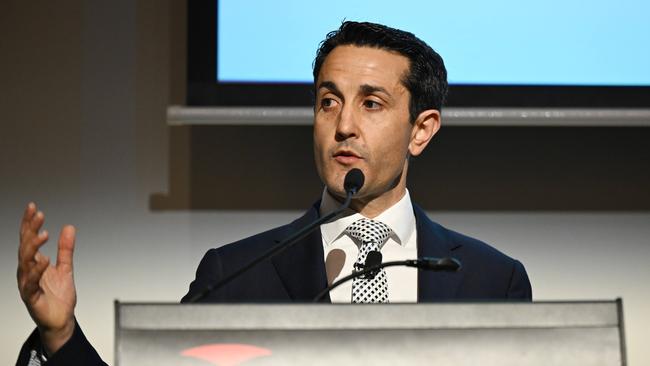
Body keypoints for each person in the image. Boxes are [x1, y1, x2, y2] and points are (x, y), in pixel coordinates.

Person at [16, 21, 531, 365]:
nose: (344, 125)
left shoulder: (492, 279)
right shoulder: (235, 274)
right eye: (329, 101)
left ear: (421, 130)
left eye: (371, 104)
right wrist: (61, 336)